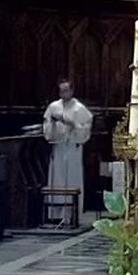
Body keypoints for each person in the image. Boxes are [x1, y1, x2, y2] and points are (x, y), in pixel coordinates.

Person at [41, 79, 93, 214]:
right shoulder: (53, 107)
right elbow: (47, 128)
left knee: (71, 179)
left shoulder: (79, 108)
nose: (63, 94)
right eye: (61, 91)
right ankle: (55, 214)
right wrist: (52, 123)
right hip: (58, 147)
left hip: (72, 148)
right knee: (57, 179)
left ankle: (72, 214)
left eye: (66, 91)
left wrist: (73, 124)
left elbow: (85, 130)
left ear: (71, 91)